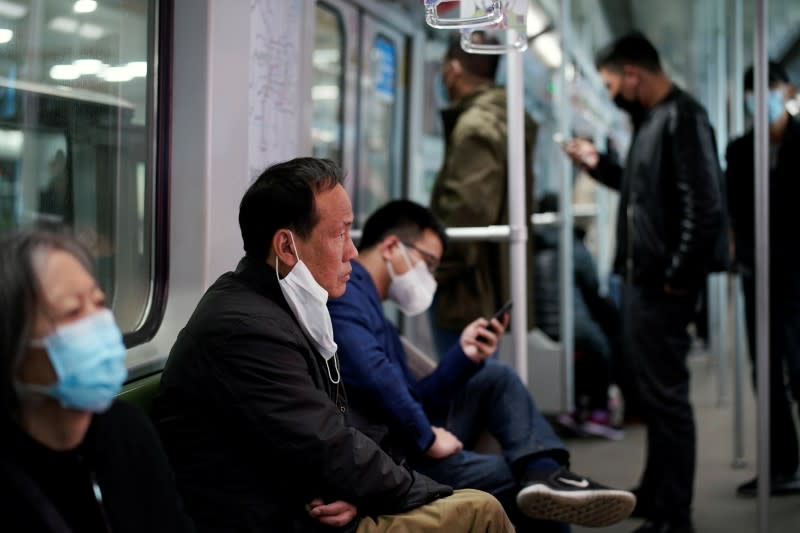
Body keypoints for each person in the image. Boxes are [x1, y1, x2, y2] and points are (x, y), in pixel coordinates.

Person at [152, 158, 514, 533]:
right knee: (481, 510)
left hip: (300, 500)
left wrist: (354, 489)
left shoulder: (284, 307)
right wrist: (429, 490)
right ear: (287, 247)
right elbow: (327, 444)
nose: (352, 253)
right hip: (274, 519)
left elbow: (332, 429)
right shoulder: (246, 331)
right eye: (340, 234)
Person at [328, 199, 636, 532]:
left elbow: (416, 396)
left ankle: (546, 470)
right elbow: (375, 377)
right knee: (524, 488)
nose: (429, 278)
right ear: (391, 246)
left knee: (494, 377)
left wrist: (465, 356)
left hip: (404, 435)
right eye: (428, 263)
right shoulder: (347, 297)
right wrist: (427, 436)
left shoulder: (375, 309)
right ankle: (544, 479)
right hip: (398, 455)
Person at [562, 32, 727, 533]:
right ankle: (657, 491)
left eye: (612, 83)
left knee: (668, 397)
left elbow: (706, 206)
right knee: (653, 394)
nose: (611, 93)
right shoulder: (652, 121)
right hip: (644, 279)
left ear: (633, 74)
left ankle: (675, 514)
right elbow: (641, 192)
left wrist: (677, 277)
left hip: (662, 284)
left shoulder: (683, 117)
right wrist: (599, 165)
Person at [0, 228, 194, 533]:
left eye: (99, 303)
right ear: (14, 346)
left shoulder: (127, 430)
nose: (99, 323)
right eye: (73, 311)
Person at [429, 33, 537, 357]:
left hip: (469, 290)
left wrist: (431, 268)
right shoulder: (504, 117)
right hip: (491, 282)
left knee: (462, 391)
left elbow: (468, 213)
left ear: (454, 68)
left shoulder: (476, 126)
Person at [726, 61, 800, 497]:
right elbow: (735, 214)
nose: (761, 96)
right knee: (766, 371)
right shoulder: (739, 151)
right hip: (759, 274)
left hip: (798, 273)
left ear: (786, 89)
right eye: (754, 89)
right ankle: (782, 465)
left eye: (768, 87)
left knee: (799, 366)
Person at [533, 193, 624, 440]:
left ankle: (574, 407)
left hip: (538, 328)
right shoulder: (572, 245)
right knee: (605, 342)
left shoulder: (530, 247)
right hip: (574, 327)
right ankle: (598, 411)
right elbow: (593, 286)